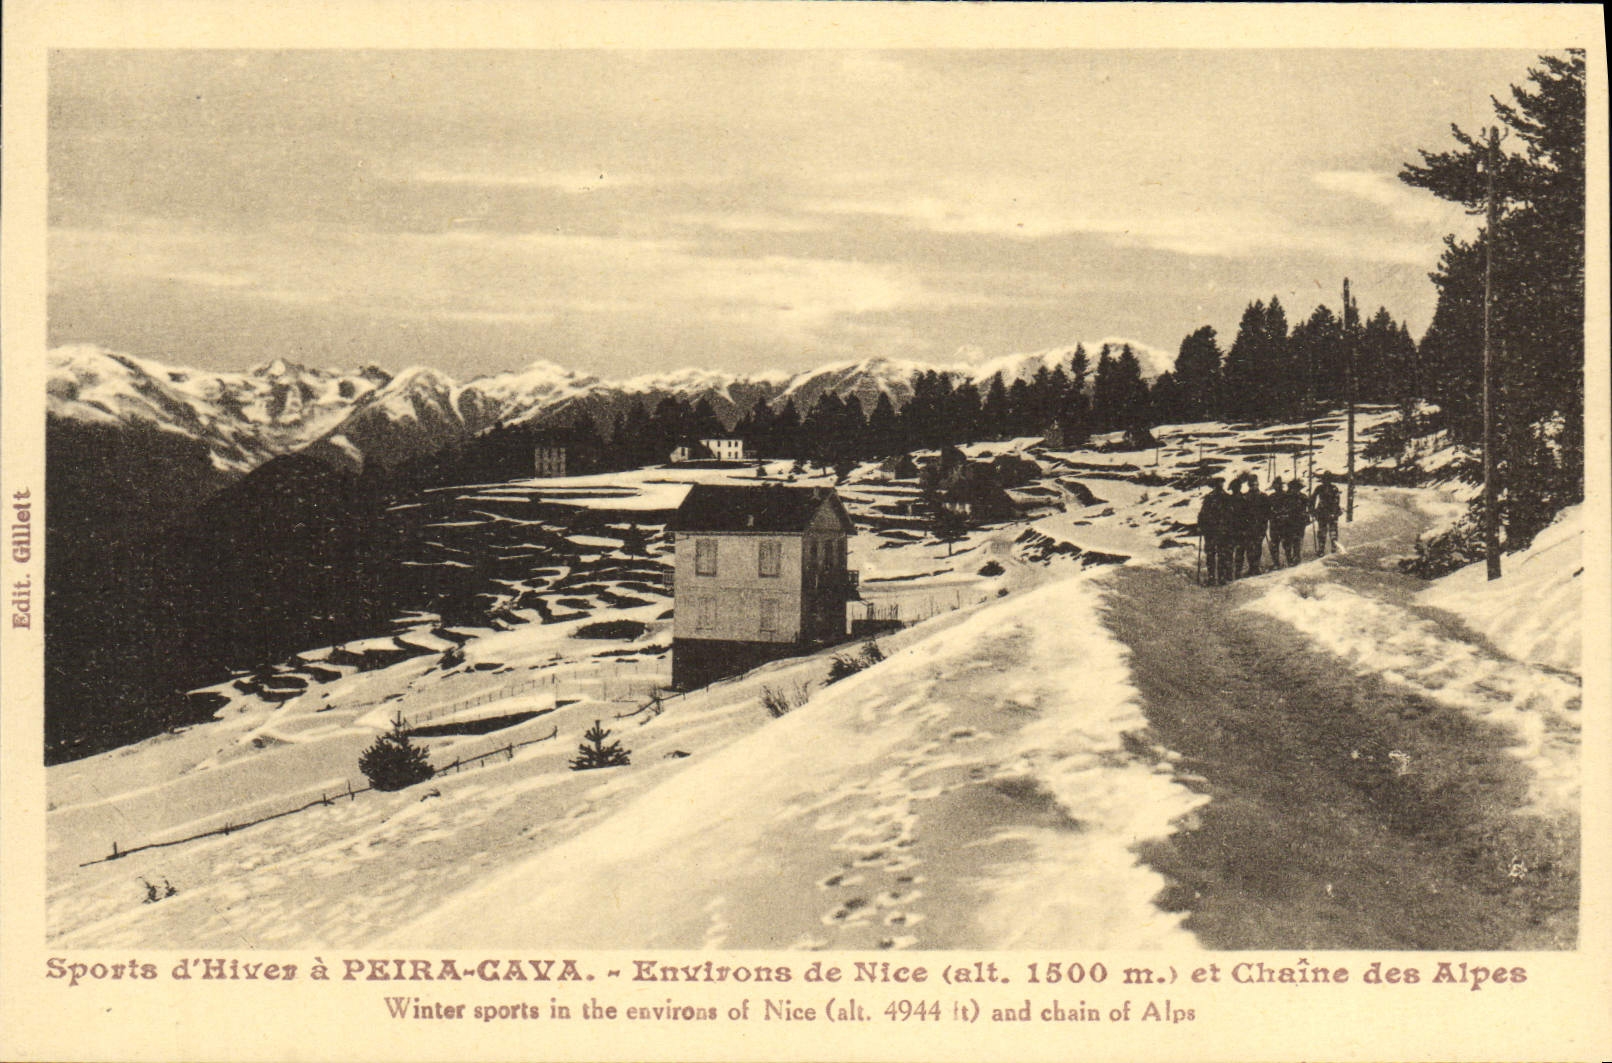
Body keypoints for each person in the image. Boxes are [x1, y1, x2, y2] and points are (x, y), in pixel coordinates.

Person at [1195, 477, 1232, 585]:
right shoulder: (1209, 498)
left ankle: (1221, 577)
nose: (1220, 486)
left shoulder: (1227, 498)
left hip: (1222, 530)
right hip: (1210, 530)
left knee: (1221, 554)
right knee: (1211, 554)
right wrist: (1200, 525)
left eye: (1221, 483)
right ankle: (1212, 577)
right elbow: (1202, 514)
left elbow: (1231, 515)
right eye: (1218, 484)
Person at [1240, 476, 1272, 576]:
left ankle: (1256, 567)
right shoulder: (1244, 497)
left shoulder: (1263, 496)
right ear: (1249, 485)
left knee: (1257, 546)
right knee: (1249, 547)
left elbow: (1268, 511)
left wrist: (1265, 521)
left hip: (1260, 526)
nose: (1254, 486)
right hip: (1248, 526)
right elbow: (1241, 512)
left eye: (1256, 484)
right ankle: (1252, 567)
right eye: (1252, 485)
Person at [1277, 479, 1310, 565]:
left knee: (1297, 541)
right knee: (1287, 542)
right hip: (1287, 522)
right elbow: (1281, 508)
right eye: (1293, 488)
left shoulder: (1303, 497)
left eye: (1297, 489)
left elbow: (1307, 508)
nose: (1295, 490)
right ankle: (1289, 559)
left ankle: (1296, 558)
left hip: (1299, 522)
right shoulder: (1285, 497)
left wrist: (1306, 517)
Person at [1312, 472, 1342, 554]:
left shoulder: (1334, 488)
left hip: (1332, 511)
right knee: (1322, 531)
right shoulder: (1319, 488)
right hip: (1322, 512)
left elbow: (1337, 500)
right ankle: (1321, 548)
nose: (1326, 481)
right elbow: (1313, 498)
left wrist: (1334, 512)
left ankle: (1334, 547)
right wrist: (1312, 509)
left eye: (1328, 479)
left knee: (1333, 531)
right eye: (1325, 479)